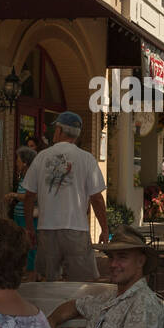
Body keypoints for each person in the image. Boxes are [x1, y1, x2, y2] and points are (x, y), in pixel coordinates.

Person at [21, 112, 108, 281]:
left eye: (55, 128)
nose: (54, 132)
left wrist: (30, 228)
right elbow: (97, 198)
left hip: (46, 229)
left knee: (47, 282)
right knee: (83, 283)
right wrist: (104, 229)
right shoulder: (87, 159)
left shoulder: (41, 157)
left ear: (60, 130)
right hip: (77, 229)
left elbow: (29, 196)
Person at [6, 146, 39, 274]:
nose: (16, 162)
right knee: (21, 246)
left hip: (28, 218)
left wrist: (14, 195)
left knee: (30, 246)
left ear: (25, 162)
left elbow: (31, 197)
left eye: (18, 160)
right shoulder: (22, 177)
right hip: (19, 217)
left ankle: (32, 274)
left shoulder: (32, 178)